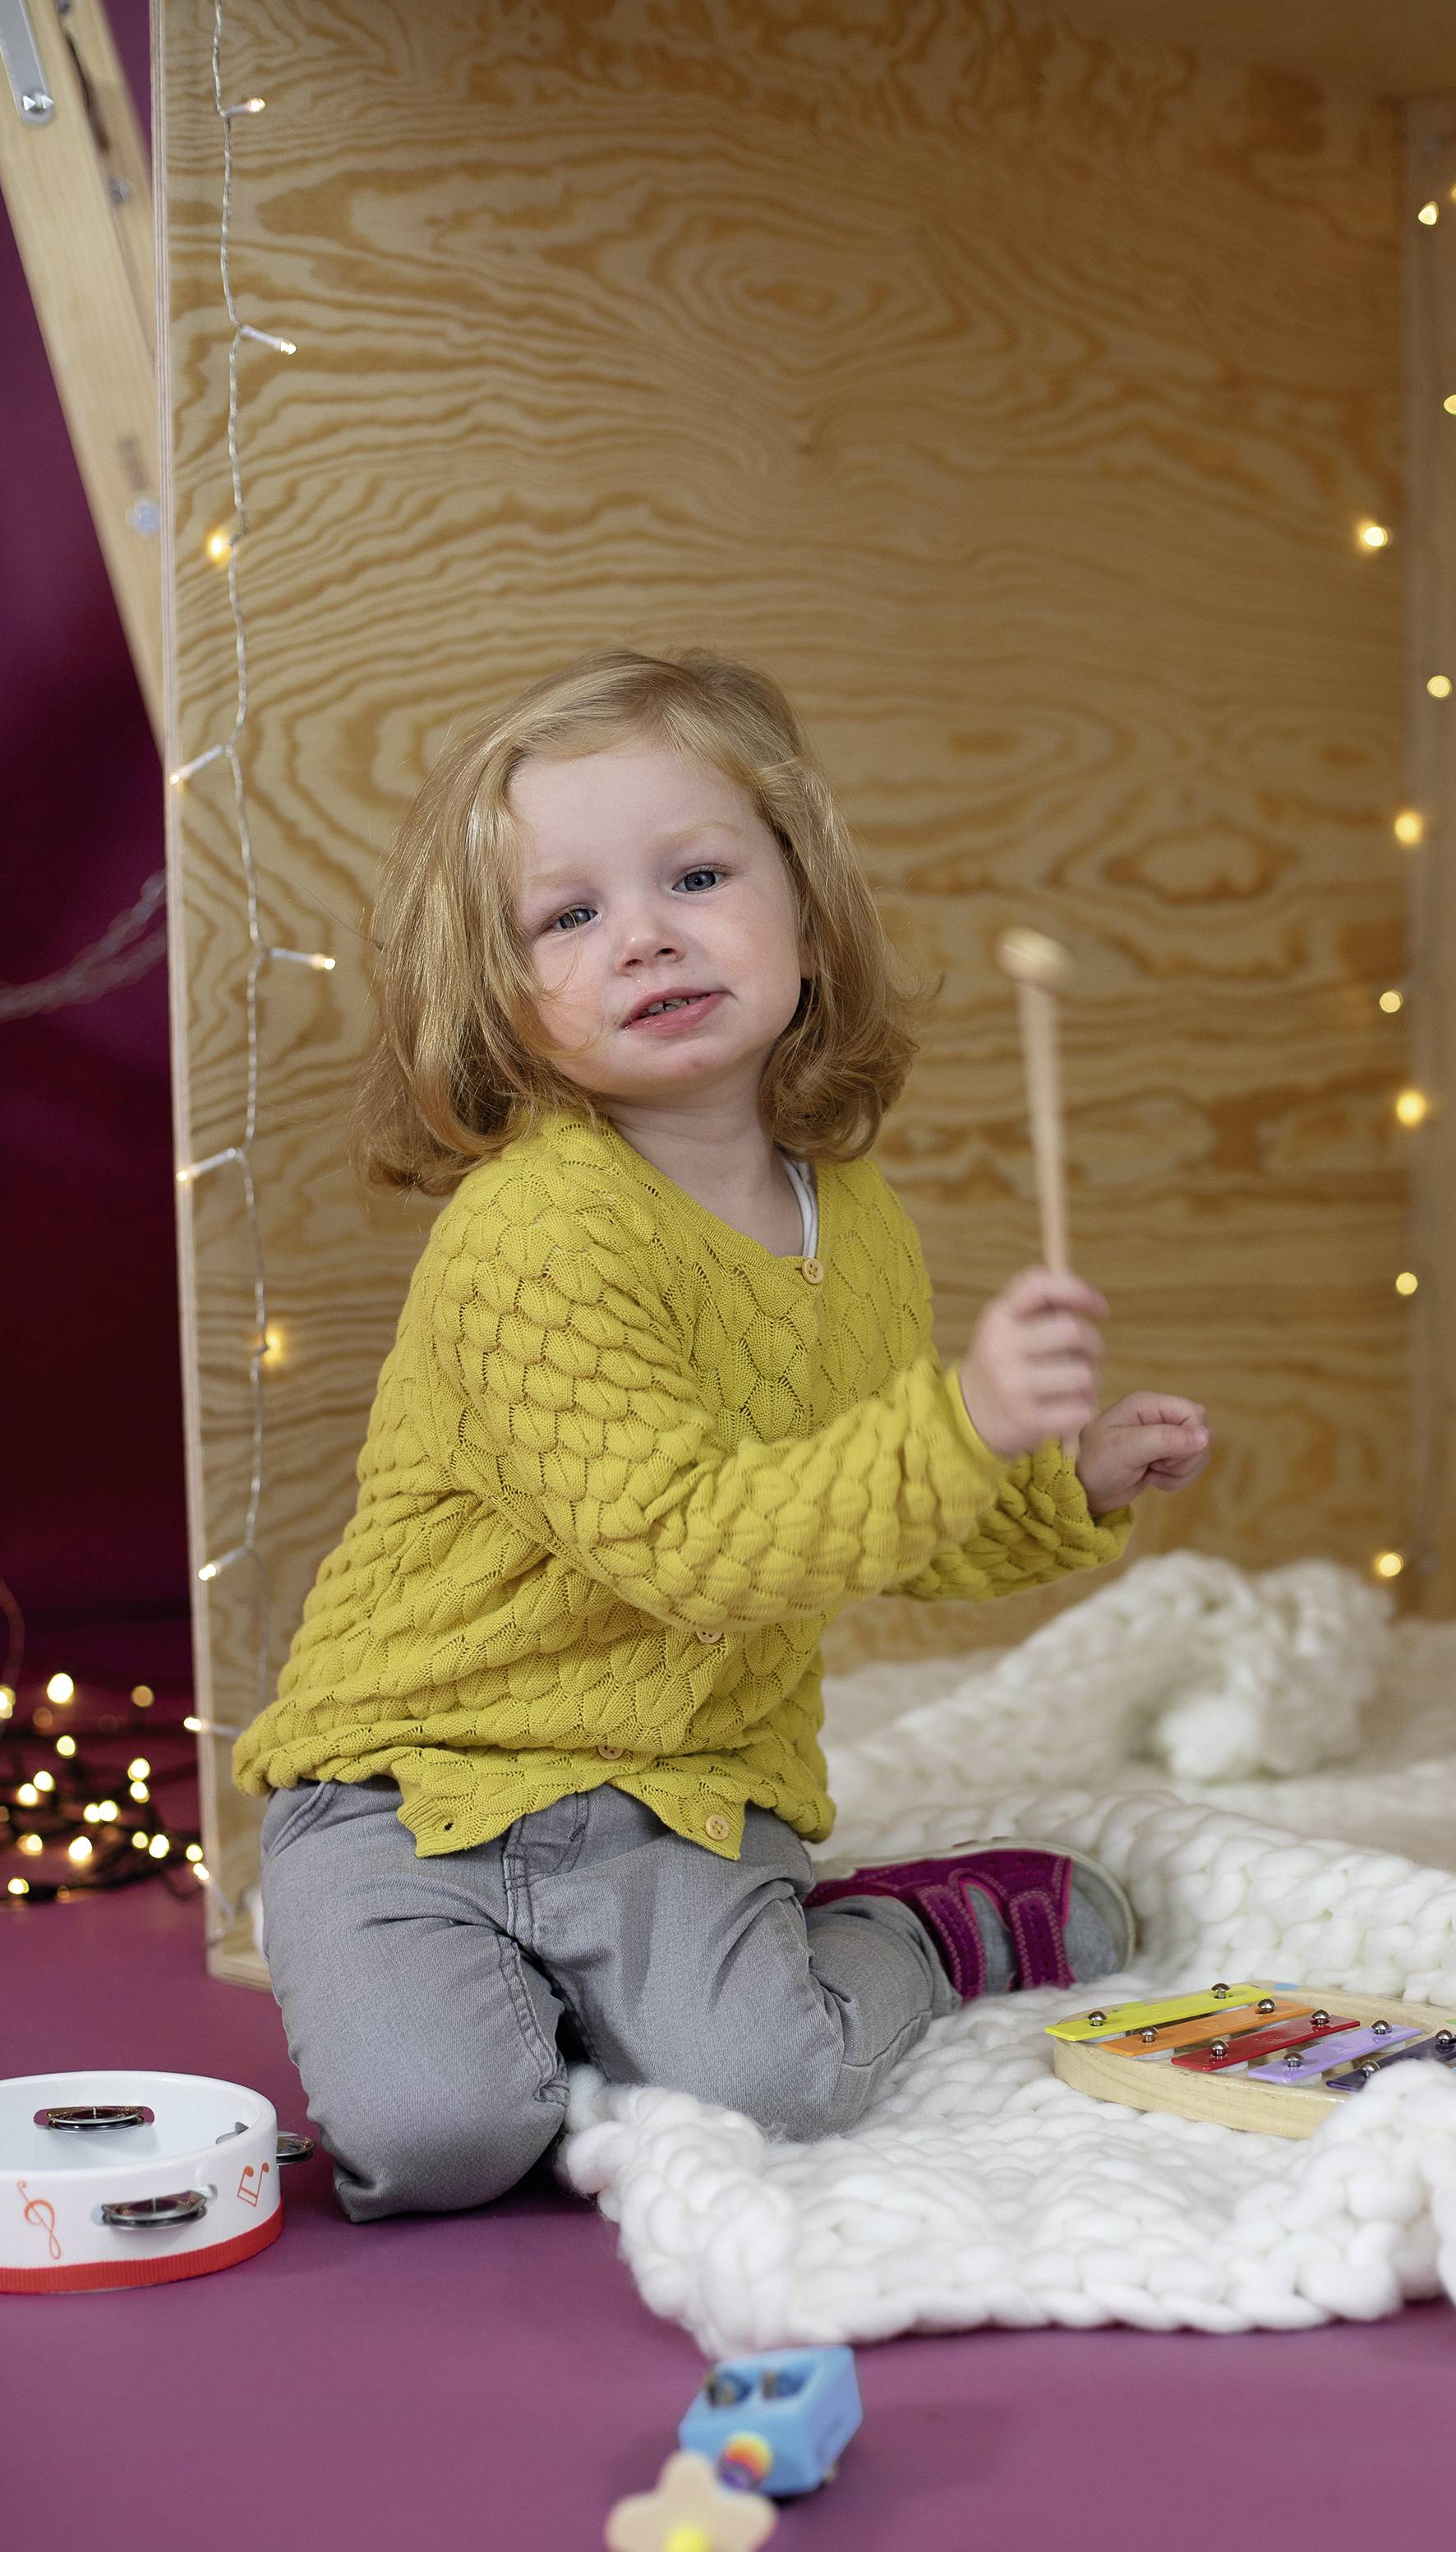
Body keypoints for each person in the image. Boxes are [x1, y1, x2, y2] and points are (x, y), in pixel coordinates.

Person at [235, 650, 1211, 2219]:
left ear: (807, 920)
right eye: (568, 916)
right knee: (435, 2137)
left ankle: (915, 1933)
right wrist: (955, 1420)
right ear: (501, 998)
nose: (647, 935)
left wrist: (1058, 1481)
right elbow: (691, 1548)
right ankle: (484, 1998)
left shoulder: (857, 1225)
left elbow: (886, 1510)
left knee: (781, 2086)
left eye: (696, 875)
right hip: (414, 1783)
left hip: (683, 1790)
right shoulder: (535, 1233)